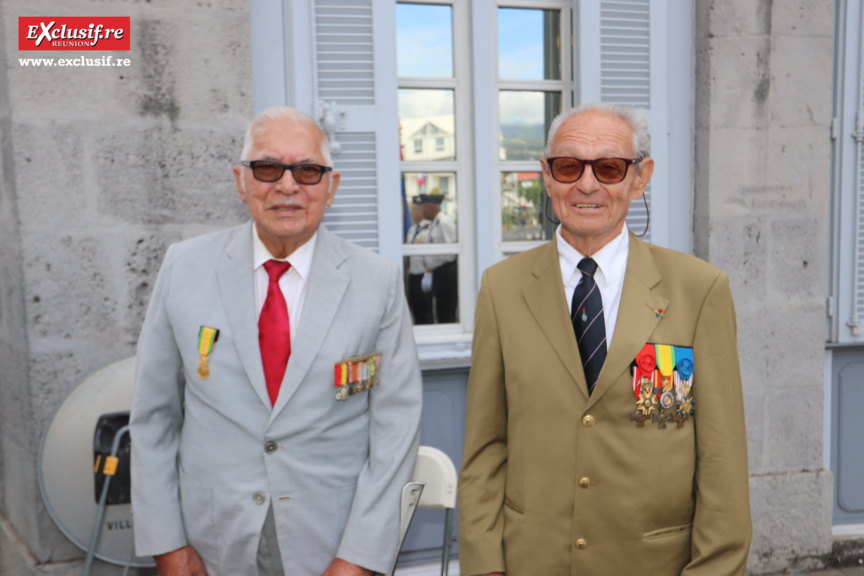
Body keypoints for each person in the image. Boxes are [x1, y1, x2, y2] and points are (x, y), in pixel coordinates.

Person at [457, 102, 751, 576]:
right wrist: (487, 567)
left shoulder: (698, 291)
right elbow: (484, 451)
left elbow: (722, 461)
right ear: (547, 177)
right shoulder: (502, 289)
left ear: (640, 178)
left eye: (609, 168)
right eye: (569, 167)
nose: (587, 185)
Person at [130, 106, 423, 576]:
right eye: (267, 168)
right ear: (241, 180)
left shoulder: (377, 281)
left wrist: (360, 558)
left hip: (331, 542)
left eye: (308, 171)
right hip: (211, 542)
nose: (287, 186)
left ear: (332, 186)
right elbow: (153, 419)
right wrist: (167, 544)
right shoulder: (183, 268)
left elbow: (396, 430)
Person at [417, 194, 458, 323]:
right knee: (439, 311)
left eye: (424, 208)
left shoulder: (444, 222)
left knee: (446, 312)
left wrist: (438, 268)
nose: (422, 212)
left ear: (431, 207)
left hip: (446, 272)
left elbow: (452, 250)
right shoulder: (435, 222)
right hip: (438, 272)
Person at [405, 200, 433, 324]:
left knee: (425, 311)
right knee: (415, 310)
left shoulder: (429, 229)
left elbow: (431, 253)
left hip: (424, 275)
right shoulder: (412, 229)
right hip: (413, 275)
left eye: (414, 210)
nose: (411, 213)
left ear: (421, 211)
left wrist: (429, 273)